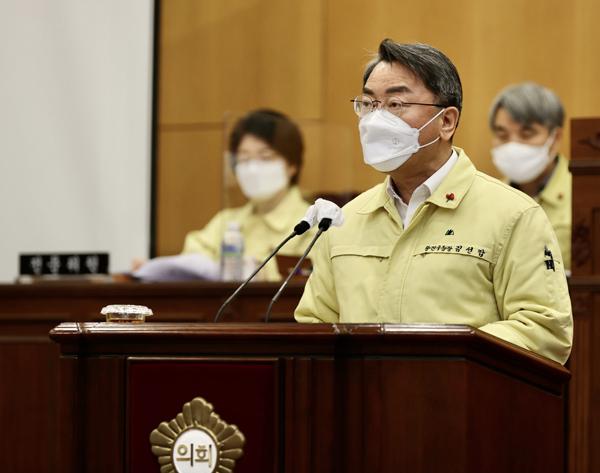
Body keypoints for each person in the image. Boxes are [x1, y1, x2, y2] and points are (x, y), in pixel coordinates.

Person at [295, 39, 572, 365]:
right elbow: (314, 328)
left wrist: (443, 357)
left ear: (446, 121)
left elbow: (544, 331)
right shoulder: (345, 220)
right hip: (361, 405)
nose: (375, 119)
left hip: (460, 405)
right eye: (368, 104)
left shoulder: (513, 214)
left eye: (396, 103)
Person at [179, 109, 316, 281]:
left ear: (292, 165)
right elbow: (192, 260)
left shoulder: (314, 223)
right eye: (244, 159)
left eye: (265, 157)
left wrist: (265, 274)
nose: (253, 168)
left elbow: (314, 273)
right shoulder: (227, 220)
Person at [489, 83, 571, 271]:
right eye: (502, 135)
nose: (513, 145)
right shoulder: (486, 197)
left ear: (556, 138)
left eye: (527, 134)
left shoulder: (586, 194)